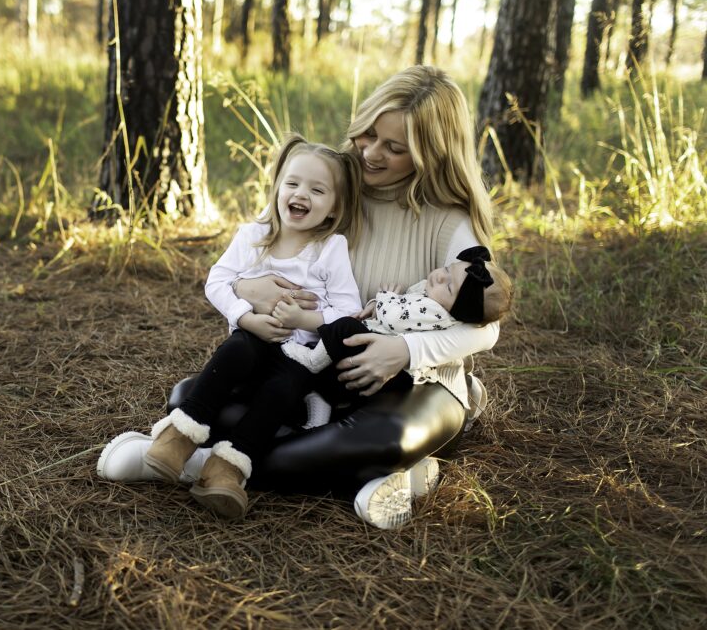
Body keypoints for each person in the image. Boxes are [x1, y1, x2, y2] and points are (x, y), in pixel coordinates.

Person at [98, 65, 501, 530]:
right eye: (368, 135)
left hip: (414, 383)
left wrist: (404, 350)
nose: (371, 153)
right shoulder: (335, 186)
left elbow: (487, 327)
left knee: (380, 438)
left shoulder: (452, 222)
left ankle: (186, 463)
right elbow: (261, 247)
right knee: (191, 395)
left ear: (430, 154)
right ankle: (373, 478)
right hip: (317, 369)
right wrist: (247, 290)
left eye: (394, 148)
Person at [142, 135, 363, 520]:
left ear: (333, 209)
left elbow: (350, 309)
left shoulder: (330, 247)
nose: (301, 194)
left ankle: (226, 470)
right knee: (235, 352)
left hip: (299, 354)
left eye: (317, 189)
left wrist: (305, 321)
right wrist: (245, 317)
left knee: (283, 390)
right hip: (253, 336)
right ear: (277, 188)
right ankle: (179, 435)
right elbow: (217, 281)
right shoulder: (254, 236)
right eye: (292, 184)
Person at [282, 246, 513, 416]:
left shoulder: (436, 307)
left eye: (449, 286)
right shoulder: (437, 294)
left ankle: (312, 363)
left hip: (398, 371)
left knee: (345, 329)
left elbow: (394, 317)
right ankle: (321, 405)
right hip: (371, 360)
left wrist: (403, 343)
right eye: (446, 269)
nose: (440, 276)